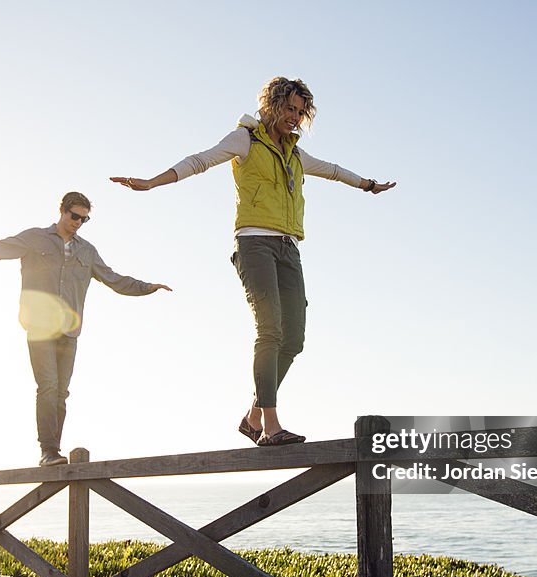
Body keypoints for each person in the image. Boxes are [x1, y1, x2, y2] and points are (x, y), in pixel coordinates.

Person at [111, 77, 394, 447]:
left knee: (293, 339)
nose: (294, 117)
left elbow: (334, 171)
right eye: (288, 109)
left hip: (289, 247)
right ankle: (270, 428)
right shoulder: (245, 139)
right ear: (272, 105)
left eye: (299, 111)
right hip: (254, 244)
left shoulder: (296, 154)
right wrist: (152, 182)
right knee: (270, 330)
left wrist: (368, 185)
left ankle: (253, 415)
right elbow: (200, 161)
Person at [0, 191, 172, 466]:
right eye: (74, 216)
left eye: (84, 219)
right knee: (48, 386)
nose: (78, 222)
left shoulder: (87, 251)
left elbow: (114, 279)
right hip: (40, 326)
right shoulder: (35, 238)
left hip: (69, 332)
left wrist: (147, 287)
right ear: (62, 210)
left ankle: (53, 450)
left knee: (61, 393)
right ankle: (48, 451)